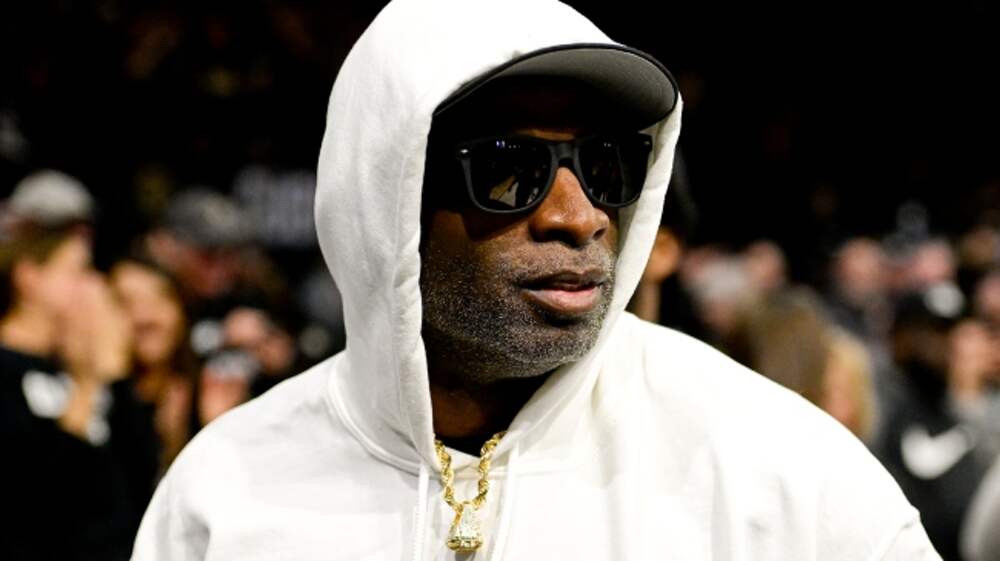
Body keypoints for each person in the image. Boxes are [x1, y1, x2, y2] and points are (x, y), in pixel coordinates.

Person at [131, 0, 941, 559]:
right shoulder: (226, 490)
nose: (578, 215)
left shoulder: (782, 474)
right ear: (387, 197)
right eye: (507, 167)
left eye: (606, 164)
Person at [1, 223, 158, 560]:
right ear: (29, 277)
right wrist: (87, 385)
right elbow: (35, 500)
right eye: (79, 271)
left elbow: (141, 478)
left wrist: (114, 373)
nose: (96, 286)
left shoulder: (76, 368)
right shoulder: (7, 372)